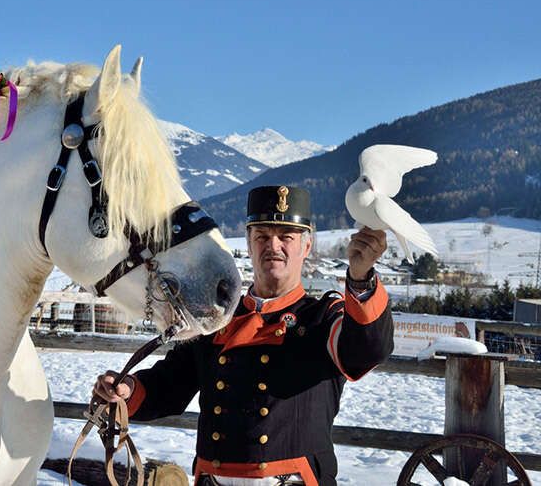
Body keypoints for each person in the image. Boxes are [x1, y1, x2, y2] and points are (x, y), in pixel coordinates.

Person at [92, 185, 394, 486]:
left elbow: (366, 352)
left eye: (286, 237)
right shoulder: (217, 316)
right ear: (249, 244)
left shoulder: (323, 317)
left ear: (307, 246)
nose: (273, 246)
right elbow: (171, 383)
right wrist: (128, 390)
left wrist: (360, 279)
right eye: (262, 236)